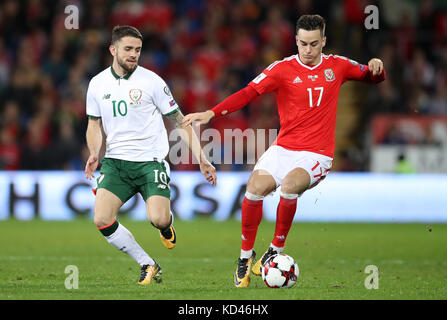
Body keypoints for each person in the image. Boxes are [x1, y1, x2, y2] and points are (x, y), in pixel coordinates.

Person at [183, 14, 386, 288]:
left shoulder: (337, 66)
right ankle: (245, 259)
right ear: (296, 41)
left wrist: (377, 68)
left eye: (314, 44)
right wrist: (211, 112)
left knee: (289, 186)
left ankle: (274, 251)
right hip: (284, 148)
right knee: (254, 188)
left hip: (317, 154)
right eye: (303, 43)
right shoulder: (282, 69)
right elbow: (248, 93)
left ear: (323, 41)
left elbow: (372, 78)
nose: (309, 50)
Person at [84, 25, 216, 285]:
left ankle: (166, 226)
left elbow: (180, 122)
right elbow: (93, 124)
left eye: (138, 50)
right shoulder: (97, 84)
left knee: (158, 218)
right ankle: (147, 263)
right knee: (101, 219)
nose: (134, 54)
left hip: (150, 162)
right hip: (116, 163)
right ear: (113, 49)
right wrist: (93, 152)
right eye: (128, 49)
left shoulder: (152, 82)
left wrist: (202, 158)